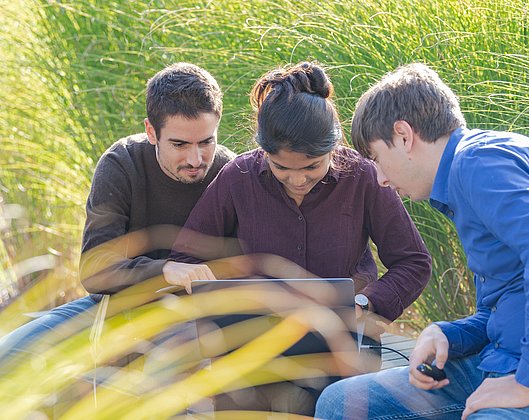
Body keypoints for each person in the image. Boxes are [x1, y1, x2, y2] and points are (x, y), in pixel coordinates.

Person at [315, 63, 529, 419]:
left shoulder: (478, 162)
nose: (381, 179)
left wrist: (527, 381)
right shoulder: (468, 174)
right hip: (511, 360)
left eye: (377, 159)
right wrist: (450, 334)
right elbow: (511, 303)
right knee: (339, 404)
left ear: (403, 135)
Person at [169, 61, 432, 415]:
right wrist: (209, 290)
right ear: (263, 151)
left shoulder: (363, 177)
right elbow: (185, 259)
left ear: (333, 147)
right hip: (250, 360)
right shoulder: (237, 178)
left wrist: (367, 306)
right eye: (282, 169)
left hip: (344, 354)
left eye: (311, 167)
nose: (297, 180)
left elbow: (413, 262)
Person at [0, 62, 236, 367]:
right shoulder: (122, 162)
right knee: (9, 357)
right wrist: (165, 270)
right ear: (151, 131)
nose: (195, 158)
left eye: (207, 142)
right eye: (179, 144)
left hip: (193, 320)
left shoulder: (232, 173)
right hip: (111, 307)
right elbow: (95, 269)